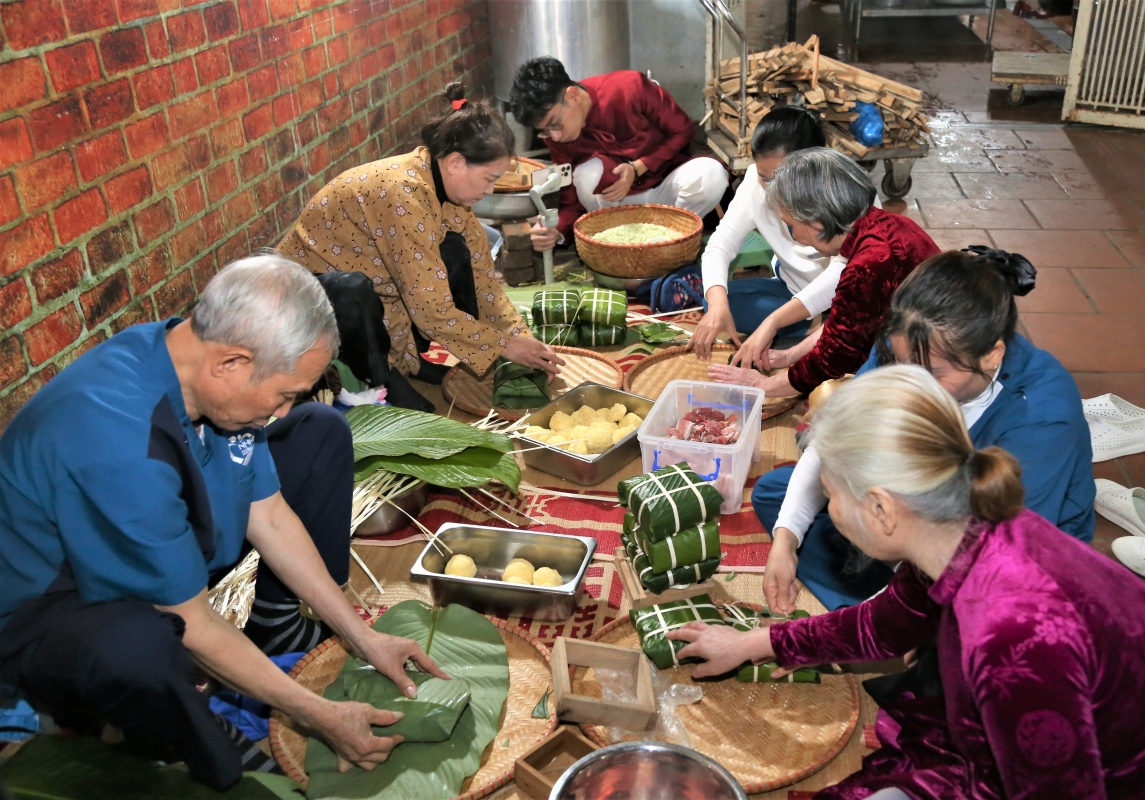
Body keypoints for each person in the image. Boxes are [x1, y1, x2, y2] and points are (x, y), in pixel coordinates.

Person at [0, 257, 448, 791]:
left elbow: (269, 514)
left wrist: (363, 636)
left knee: (319, 430)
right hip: (49, 605)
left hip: (159, 535)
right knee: (140, 650)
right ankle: (190, 736)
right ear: (231, 363)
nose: (282, 412)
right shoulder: (118, 438)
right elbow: (187, 618)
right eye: (284, 394)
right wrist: (318, 716)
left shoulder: (195, 365)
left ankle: (275, 625)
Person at [668, 367, 1145, 799]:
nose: (827, 509)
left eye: (830, 494)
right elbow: (887, 623)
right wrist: (753, 643)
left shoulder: (1013, 636)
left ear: (881, 509)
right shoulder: (961, 528)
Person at [753, 248, 1095, 612]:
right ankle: (897, 596)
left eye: (933, 374)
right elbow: (836, 439)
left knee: (992, 611)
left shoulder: (1041, 417)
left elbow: (1001, 556)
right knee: (778, 495)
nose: (912, 382)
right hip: (917, 514)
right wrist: (785, 543)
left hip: (997, 555)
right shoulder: (907, 344)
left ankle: (906, 608)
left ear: (992, 355)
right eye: (902, 364)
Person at [282, 82, 563, 413]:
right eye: (489, 178)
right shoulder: (404, 195)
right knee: (353, 289)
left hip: (374, 273)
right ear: (456, 162)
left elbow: (483, 279)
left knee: (456, 250)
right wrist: (503, 346)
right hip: (305, 289)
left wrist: (519, 336)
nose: (490, 190)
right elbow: (430, 309)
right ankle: (381, 377)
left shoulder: (446, 188)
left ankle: (411, 358)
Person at [708, 148, 938, 396]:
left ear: (816, 221)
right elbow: (844, 324)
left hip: (928, 365)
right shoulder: (887, 224)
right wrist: (788, 356)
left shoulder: (868, 264)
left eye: (791, 225)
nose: (793, 236)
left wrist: (762, 385)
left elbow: (832, 360)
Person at [508, 57, 729, 251]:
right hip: (617, 211)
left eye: (556, 124)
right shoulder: (557, 139)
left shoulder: (629, 87)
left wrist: (639, 166)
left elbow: (683, 130)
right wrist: (556, 230)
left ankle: (670, 240)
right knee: (586, 175)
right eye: (545, 131)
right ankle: (622, 246)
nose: (554, 137)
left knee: (711, 175)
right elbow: (570, 198)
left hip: (667, 193)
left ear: (573, 95)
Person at [694, 107, 835, 359]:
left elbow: (845, 273)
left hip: (841, 297)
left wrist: (774, 321)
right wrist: (717, 303)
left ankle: (817, 326)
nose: (773, 189)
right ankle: (811, 326)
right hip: (792, 289)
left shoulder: (844, 191)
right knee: (715, 301)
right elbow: (720, 245)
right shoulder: (753, 181)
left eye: (783, 177)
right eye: (764, 178)